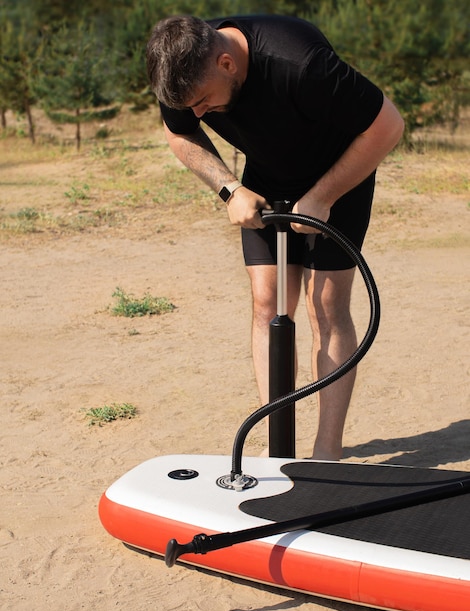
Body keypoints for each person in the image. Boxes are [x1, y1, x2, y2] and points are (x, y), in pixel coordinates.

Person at [146, 14, 404, 460]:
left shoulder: (300, 64)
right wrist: (230, 188)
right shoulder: (183, 68)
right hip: (267, 177)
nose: (200, 114)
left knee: (326, 304)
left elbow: (387, 126)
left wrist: (323, 197)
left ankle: (328, 452)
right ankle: (279, 449)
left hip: (339, 174)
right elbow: (179, 132)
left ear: (227, 64)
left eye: (205, 102)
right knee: (268, 304)